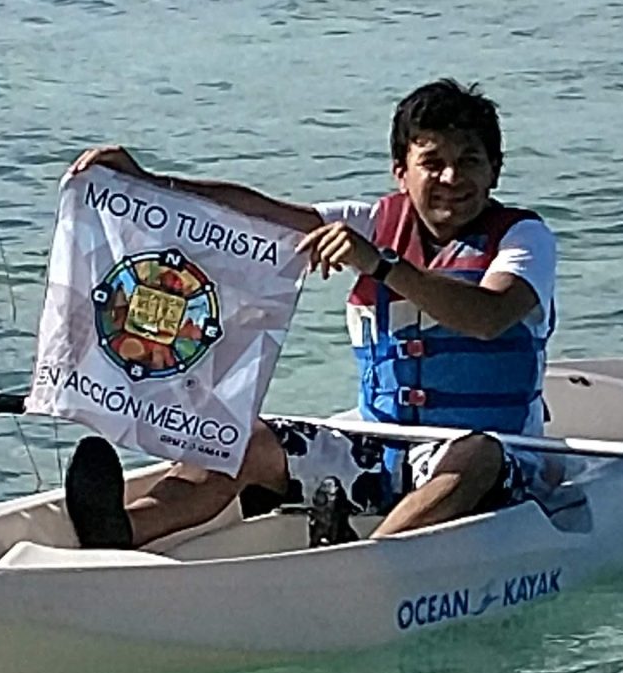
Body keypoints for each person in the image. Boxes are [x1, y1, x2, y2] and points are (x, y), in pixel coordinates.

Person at [62, 78, 559, 551]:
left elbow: (489, 315)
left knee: (476, 453)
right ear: (400, 171)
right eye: (433, 162)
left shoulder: (523, 238)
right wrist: (150, 184)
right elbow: (254, 215)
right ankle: (125, 528)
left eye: (469, 161)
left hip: (495, 457)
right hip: (382, 452)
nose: (452, 178)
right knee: (241, 435)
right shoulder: (372, 223)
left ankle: (366, 558)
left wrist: (379, 264)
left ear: (495, 169)